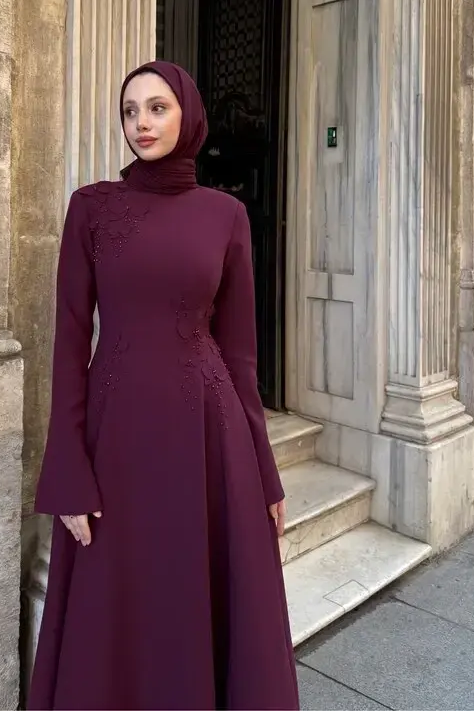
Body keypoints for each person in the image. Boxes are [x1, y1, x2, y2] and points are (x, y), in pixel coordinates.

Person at [29, 61, 299, 710]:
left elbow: (240, 358)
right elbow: (70, 342)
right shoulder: (92, 208)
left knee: (196, 602)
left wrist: (265, 475)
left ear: (188, 116)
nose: (141, 123)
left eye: (157, 108)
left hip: (209, 437)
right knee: (117, 606)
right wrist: (67, 473)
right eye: (130, 110)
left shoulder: (226, 215)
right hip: (116, 440)